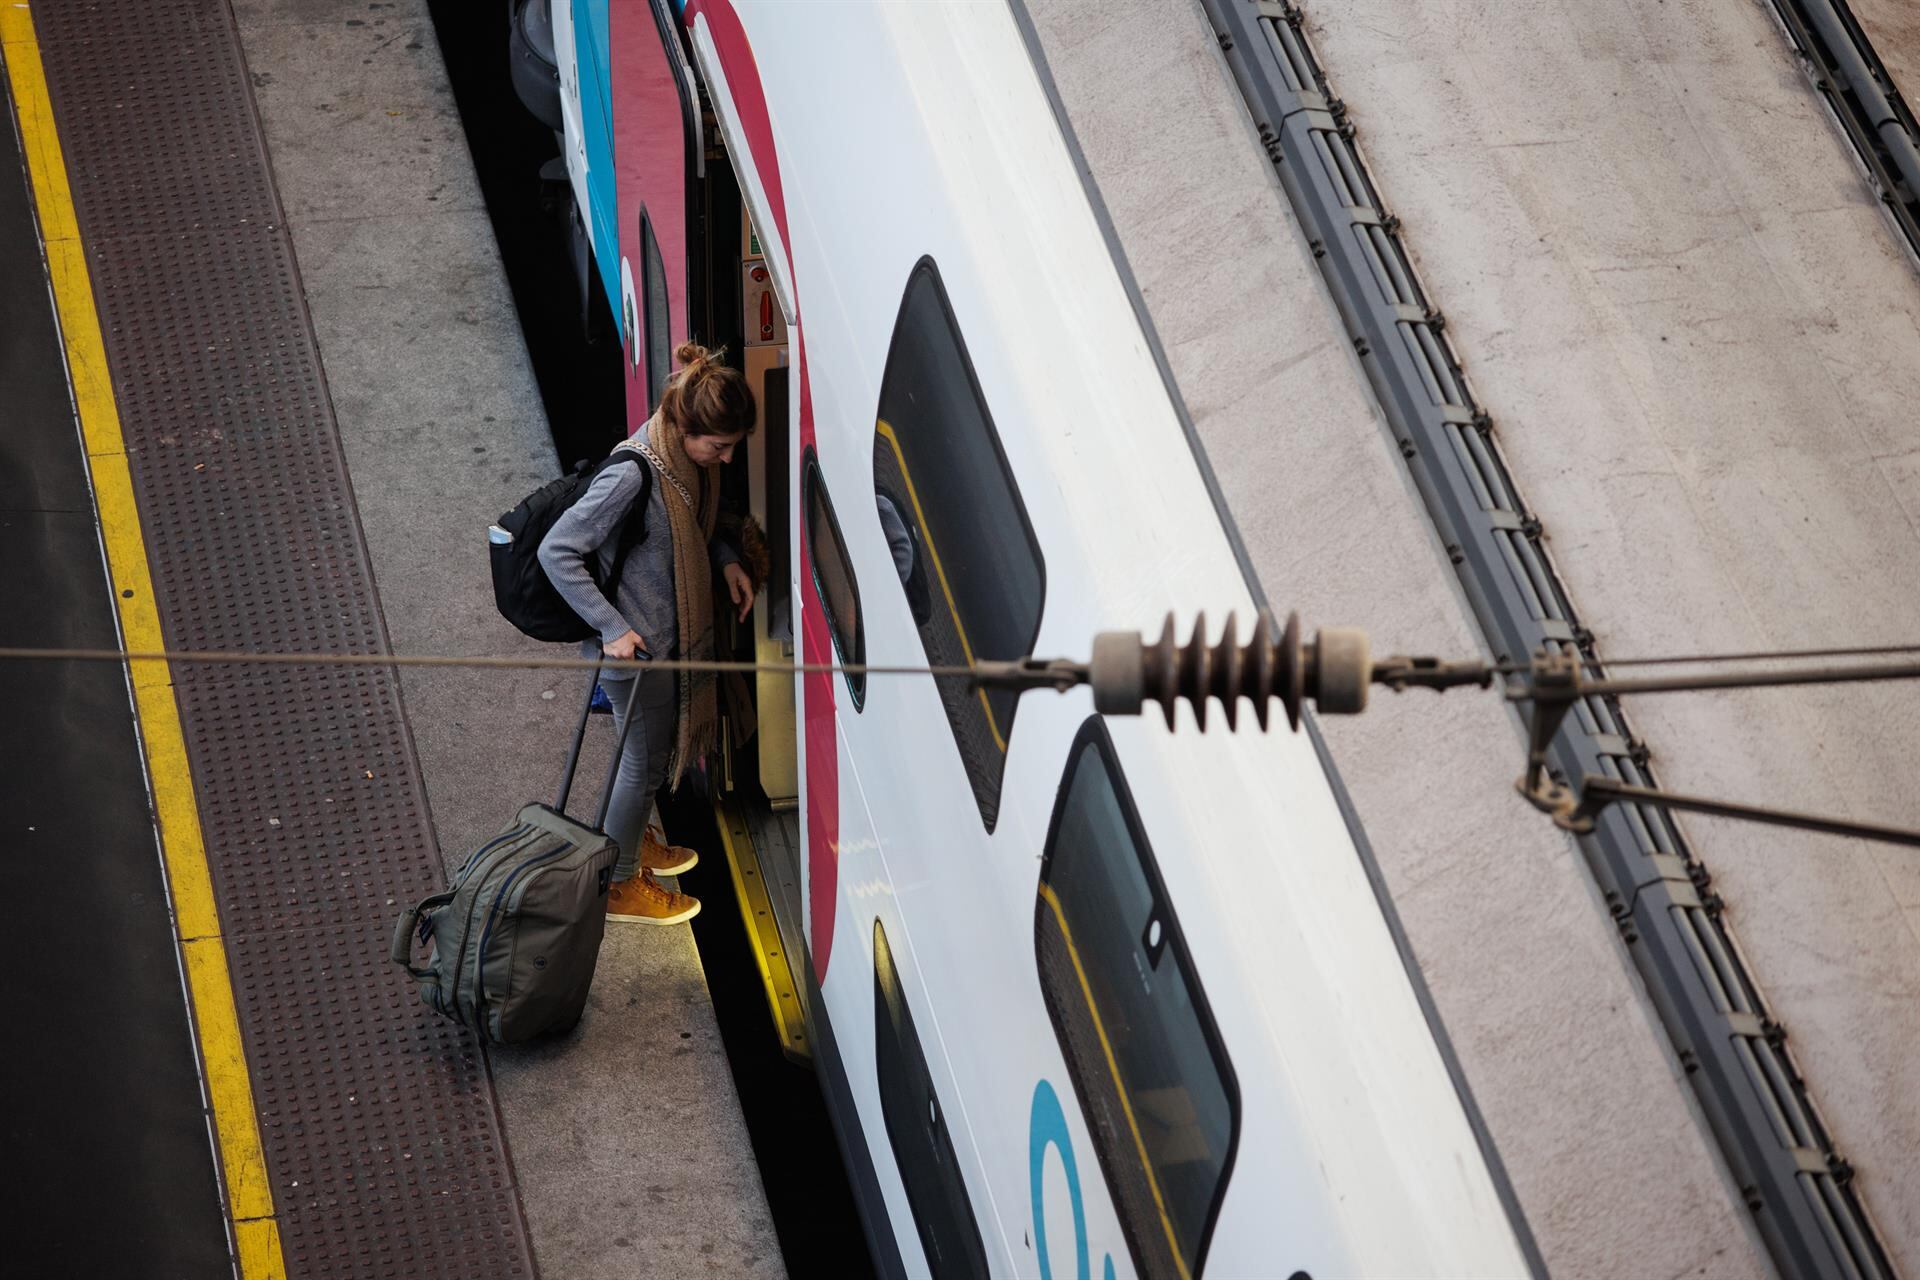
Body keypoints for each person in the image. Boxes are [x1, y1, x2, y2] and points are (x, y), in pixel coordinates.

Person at [538, 341, 759, 924]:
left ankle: (630, 841)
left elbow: (688, 527)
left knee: (645, 758)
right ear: (687, 431)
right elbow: (557, 550)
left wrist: (727, 557)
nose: (728, 460)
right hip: (635, 648)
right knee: (641, 761)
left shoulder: (679, 461)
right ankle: (619, 883)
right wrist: (612, 627)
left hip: (657, 640)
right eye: (720, 447)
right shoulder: (634, 474)